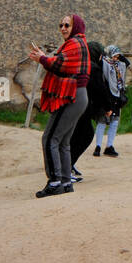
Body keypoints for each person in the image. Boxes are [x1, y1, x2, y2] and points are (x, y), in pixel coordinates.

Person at [27, 13, 90, 198]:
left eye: (67, 25)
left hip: (70, 95)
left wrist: (43, 59)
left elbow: (60, 64)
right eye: (60, 25)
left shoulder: (75, 44)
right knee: (63, 141)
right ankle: (65, 182)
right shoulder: (76, 43)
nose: (63, 28)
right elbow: (61, 63)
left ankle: (55, 182)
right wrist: (44, 58)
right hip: (76, 95)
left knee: (50, 138)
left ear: (75, 27)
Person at [68, 40, 107, 177]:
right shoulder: (93, 68)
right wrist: (108, 106)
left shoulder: (81, 65)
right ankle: (66, 167)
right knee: (84, 136)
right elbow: (99, 90)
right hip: (82, 108)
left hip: (72, 106)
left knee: (76, 136)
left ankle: (68, 165)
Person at [91, 45, 127, 157]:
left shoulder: (120, 66)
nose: (116, 58)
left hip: (117, 95)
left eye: (118, 56)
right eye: (115, 56)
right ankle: (98, 146)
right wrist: (107, 55)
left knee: (115, 121)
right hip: (106, 96)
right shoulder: (104, 63)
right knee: (102, 121)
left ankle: (109, 146)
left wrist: (120, 56)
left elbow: (127, 63)